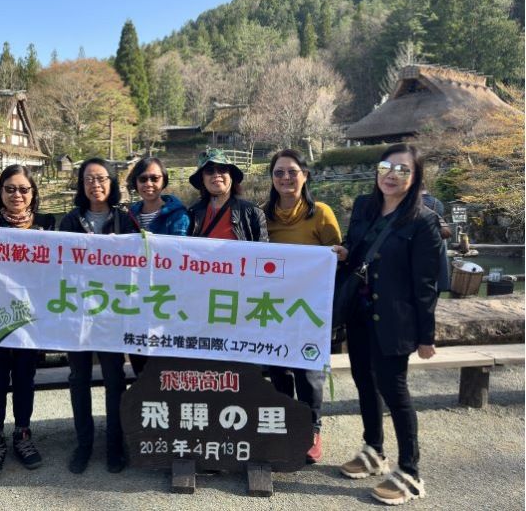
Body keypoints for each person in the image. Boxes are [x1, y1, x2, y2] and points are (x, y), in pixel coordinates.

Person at [333, 143, 442, 506]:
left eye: (403, 169)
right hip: (360, 314)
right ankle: (373, 450)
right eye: (386, 166)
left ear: (415, 178)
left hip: (395, 321)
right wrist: (346, 252)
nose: (392, 174)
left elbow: (425, 285)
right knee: (364, 382)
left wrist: (427, 336)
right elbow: (357, 246)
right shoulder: (365, 205)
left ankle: (410, 472)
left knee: (395, 392)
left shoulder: (422, 221)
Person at [0, 165, 55, 479]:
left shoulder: (49, 224)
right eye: (10, 188)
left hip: (32, 317)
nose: (17, 195)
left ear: (33, 194)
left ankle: (22, 434)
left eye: (23, 189)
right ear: (0, 192)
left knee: (25, 378)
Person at [261, 149, 341, 464]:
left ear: (304, 175)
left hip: (309, 308)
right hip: (271, 306)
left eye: (292, 171)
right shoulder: (261, 215)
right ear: (271, 178)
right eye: (279, 172)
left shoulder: (321, 213)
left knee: (308, 371)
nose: (285, 178)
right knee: (279, 370)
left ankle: (312, 429)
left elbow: (337, 254)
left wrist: (339, 253)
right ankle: (284, 425)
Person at [59, 158, 137, 475]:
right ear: (81, 184)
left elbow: (139, 263)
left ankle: (115, 446)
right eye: (89, 179)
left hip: (112, 313)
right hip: (76, 312)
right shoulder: (69, 221)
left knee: (114, 379)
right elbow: (56, 263)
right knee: (78, 380)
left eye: (102, 178)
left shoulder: (125, 220)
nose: (96, 184)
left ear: (112, 183)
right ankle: (84, 445)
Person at [125, 156, 190, 376]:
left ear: (164, 181)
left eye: (155, 178)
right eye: (143, 178)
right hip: (134, 301)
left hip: (165, 300)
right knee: (140, 364)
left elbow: (179, 258)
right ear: (135, 183)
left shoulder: (179, 216)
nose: (148, 184)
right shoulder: (128, 215)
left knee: (166, 366)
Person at [187, 149, 268, 242]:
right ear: (202, 179)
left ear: (231, 177)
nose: (216, 174)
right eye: (209, 171)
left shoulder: (253, 213)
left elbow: (262, 253)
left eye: (222, 169)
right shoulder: (192, 214)